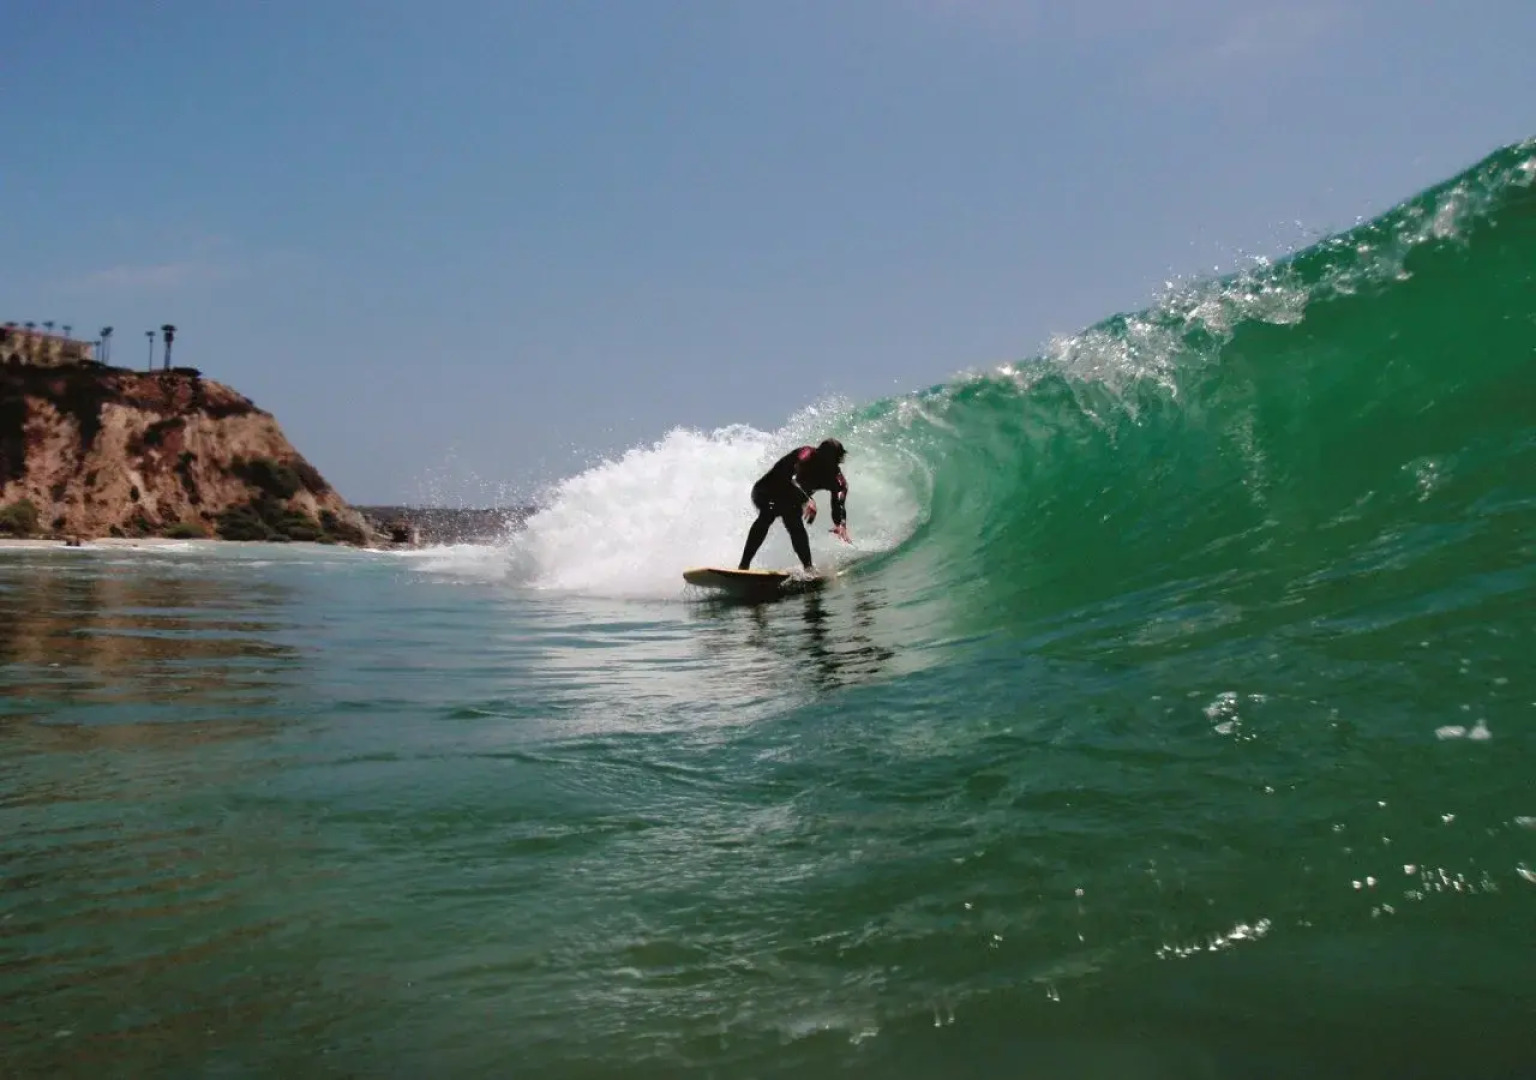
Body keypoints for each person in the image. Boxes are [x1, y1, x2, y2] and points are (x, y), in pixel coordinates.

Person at [738, 438, 851, 572]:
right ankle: (743, 566)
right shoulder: (806, 454)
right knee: (768, 514)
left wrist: (840, 523)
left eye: (829, 462)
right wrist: (807, 499)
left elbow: (839, 502)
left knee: (795, 524)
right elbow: (791, 477)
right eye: (821, 459)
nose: (822, 465)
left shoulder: (837, 480)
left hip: (789, 500)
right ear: (817, 453)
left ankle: (808, 569)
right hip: (765, 491)